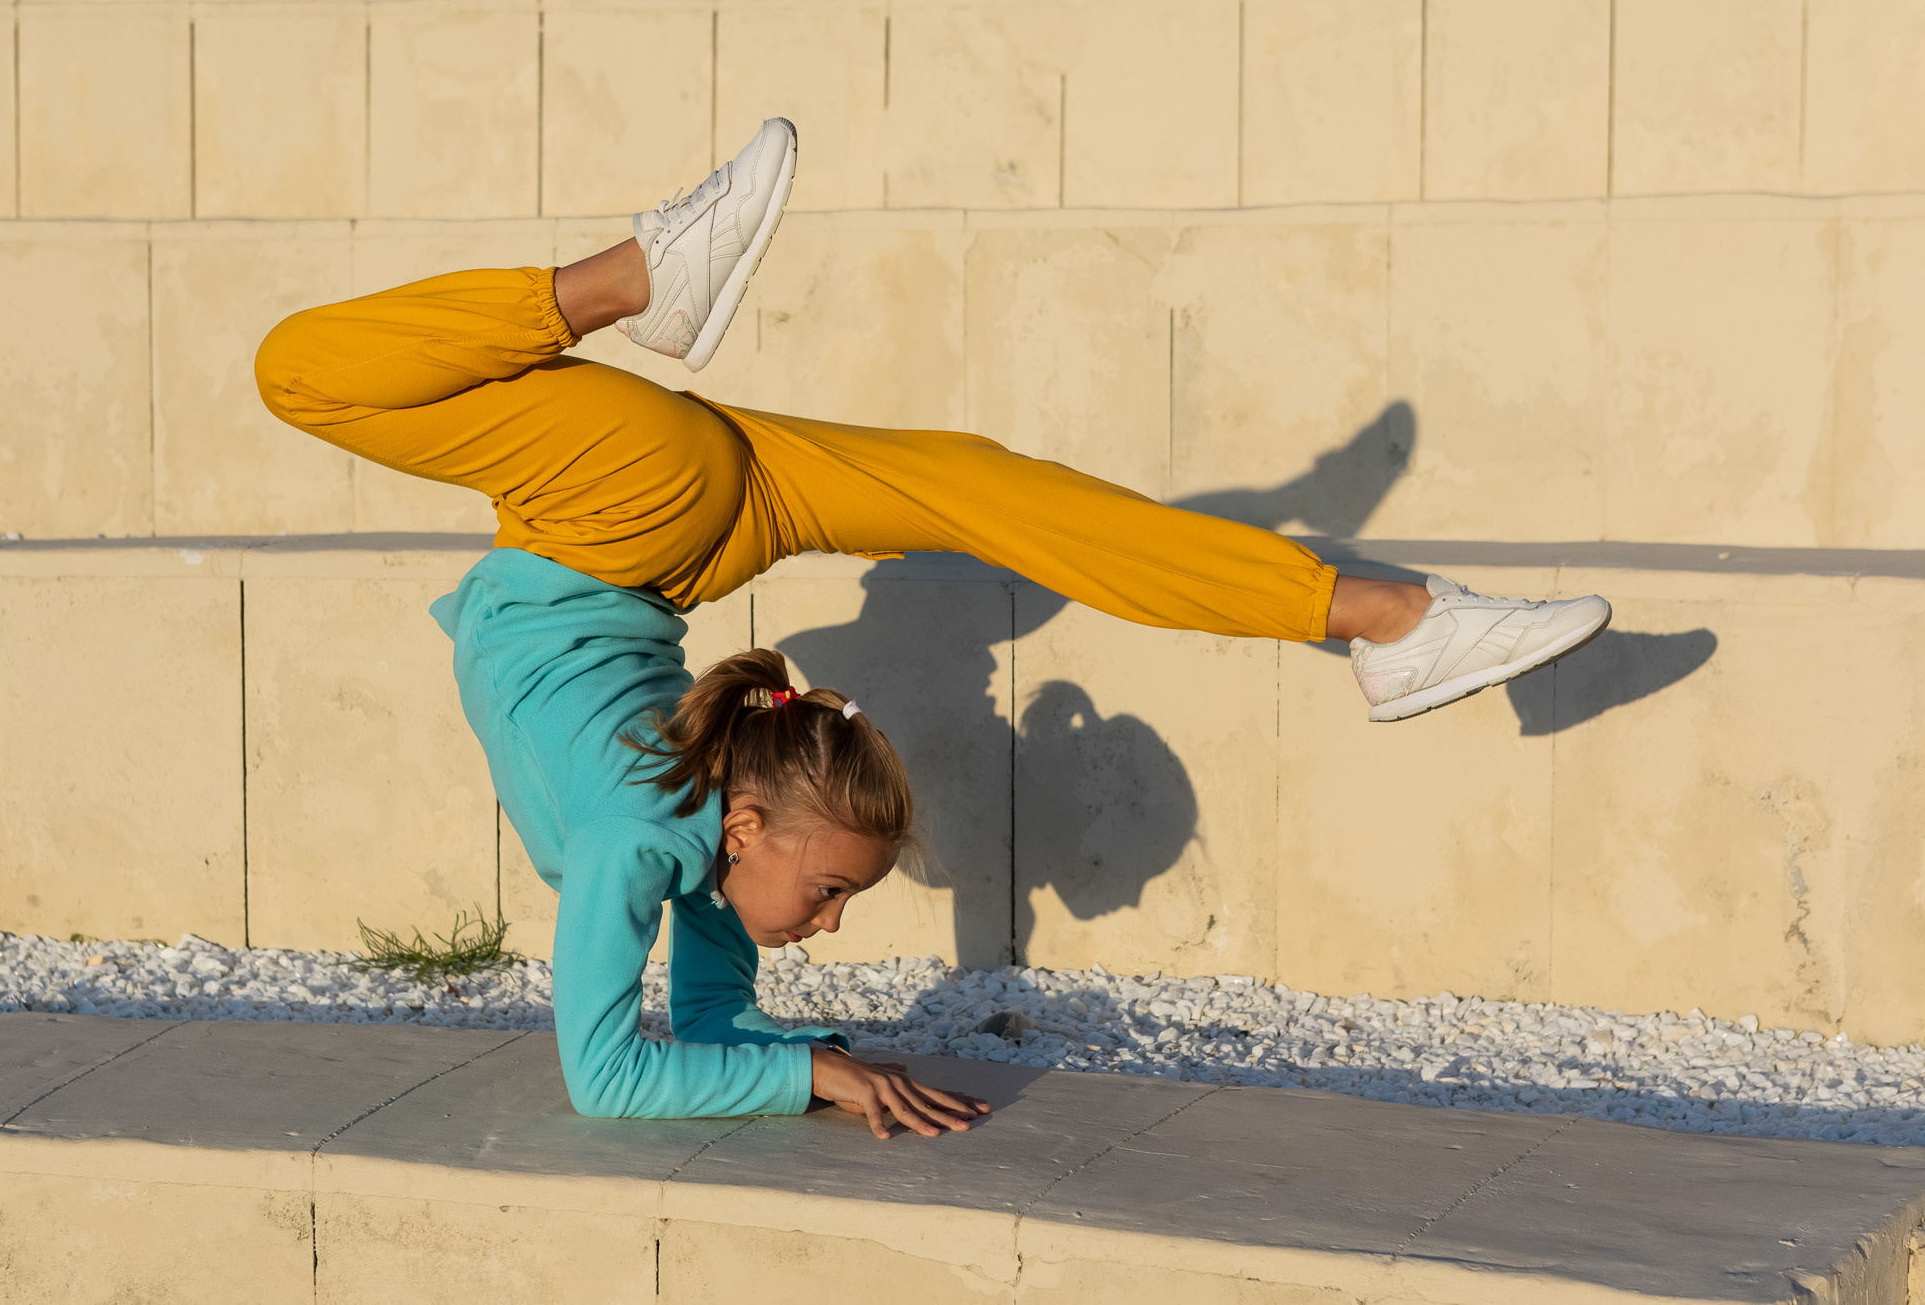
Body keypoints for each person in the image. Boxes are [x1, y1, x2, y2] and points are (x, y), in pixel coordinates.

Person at [253, 117, 1610, 1138]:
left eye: (832, 897)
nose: (830, 924)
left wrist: (813, 1068)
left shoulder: (649, 838)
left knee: (298, 369)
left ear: (743, 826)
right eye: (836, 891)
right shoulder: (708, 829)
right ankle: (1389, 619)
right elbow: (701, 1038)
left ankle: (623, 287)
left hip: (621, 517)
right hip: (656, 523)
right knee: (1008, 500)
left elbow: (615, 1072)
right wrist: (816, 1070)